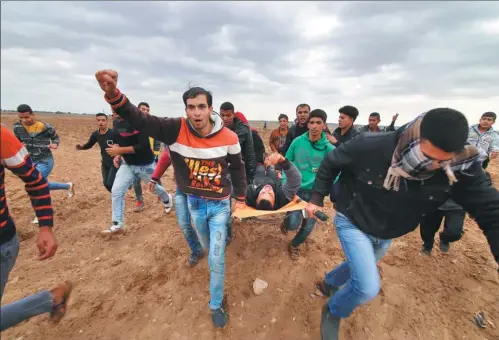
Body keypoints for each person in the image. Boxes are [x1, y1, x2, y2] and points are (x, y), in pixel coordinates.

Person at [303, 108, 499, 340]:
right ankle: (334, 309)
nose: (434, 166)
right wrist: (316, 199)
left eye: (442, 161)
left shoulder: (460, 166)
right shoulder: (371, 145)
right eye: (427, 157)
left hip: (389, 231)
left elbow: (491, 210)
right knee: (366, 287)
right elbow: (330, 162)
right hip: (353, 218)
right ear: (416, 139)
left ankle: (329, 282)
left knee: (360, 264)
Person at [95, 69, 247, 328]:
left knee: (216, 257)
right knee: (208, 247)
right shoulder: (174, 129)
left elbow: (238, 167)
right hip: (195, 204)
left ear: (211, 109)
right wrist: (113, 94)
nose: (196, 113)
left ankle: (216, 302)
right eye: (191, 107)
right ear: (186, 110)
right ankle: (209, 261)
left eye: (201, 107)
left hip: (220, 205)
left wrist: (241, 197)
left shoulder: (230, 137)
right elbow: (140, 120)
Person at [0, 126, 72, 331]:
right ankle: (51, 300)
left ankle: (50, 300)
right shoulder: (16, 129)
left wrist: (46, 226)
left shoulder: (3, 136)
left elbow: (35, 180)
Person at [420, 111, 499, 254]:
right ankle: (427, 244)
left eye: (489, 119)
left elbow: (492, 211)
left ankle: (445, 238)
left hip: (464, 183)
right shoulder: (421, 163)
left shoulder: (473, 176)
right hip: (434, 196)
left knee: (454, 231)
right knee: (428, 225)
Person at [102, 108, 173, 235]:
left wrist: (120, 151)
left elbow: (143, 146)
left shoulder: (137, 122)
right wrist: (118, 155)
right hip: (127, 164)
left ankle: (167, 199)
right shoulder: (117, 123)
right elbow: (120, 141)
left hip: (145, 165)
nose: (113, 112)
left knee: (154, 188)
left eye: (116, 109)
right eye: (112, 110)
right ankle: (117, 223)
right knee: (116, 190)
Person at [281, 109, 336, 260]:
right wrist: (285, 184)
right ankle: (286, 223)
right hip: (296, 191)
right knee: (292, 224)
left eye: (318, 123)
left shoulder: (330, 149)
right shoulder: (297, 142)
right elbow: (286, 163)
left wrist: (329, 189)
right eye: (311, 122)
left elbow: (336, 173)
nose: (314, 126)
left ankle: (295, 245)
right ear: (307, 124)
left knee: (307, 226)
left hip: (315, 196)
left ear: (324, 125)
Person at [13, 104, 74, 223]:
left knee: (35, 184)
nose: (24, 120)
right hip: (30, 161)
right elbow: (17, 140)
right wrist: (19, 145)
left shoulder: (45, 127)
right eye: (21, 118)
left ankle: (42, 214)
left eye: (27, 117)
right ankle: (67, 186)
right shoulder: (17, 127)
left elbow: (55, 137)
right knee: (42, 184)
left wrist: (55, 144)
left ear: (33, 114)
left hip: (45, 161)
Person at [76, 113, 119, 192]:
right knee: (105, 183)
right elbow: (89, 144)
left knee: (110, 183)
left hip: (114, 162)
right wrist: (81, 147)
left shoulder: (113, 133)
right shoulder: (95, 134)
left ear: (107, 121)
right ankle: (117, 195)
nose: (100, 122)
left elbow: (121, 145)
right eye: (98, 120)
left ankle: (118, 195)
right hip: (104, 162)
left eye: (103, 120)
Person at [220, 102, 256, 184]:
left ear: (233, 115)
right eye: (222, 115)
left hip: (237, 168)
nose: (225, 118)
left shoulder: (244, 129)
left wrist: (250, 176)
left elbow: (250, 154)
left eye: (228, 115)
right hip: (219, 169)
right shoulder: (215, 128)